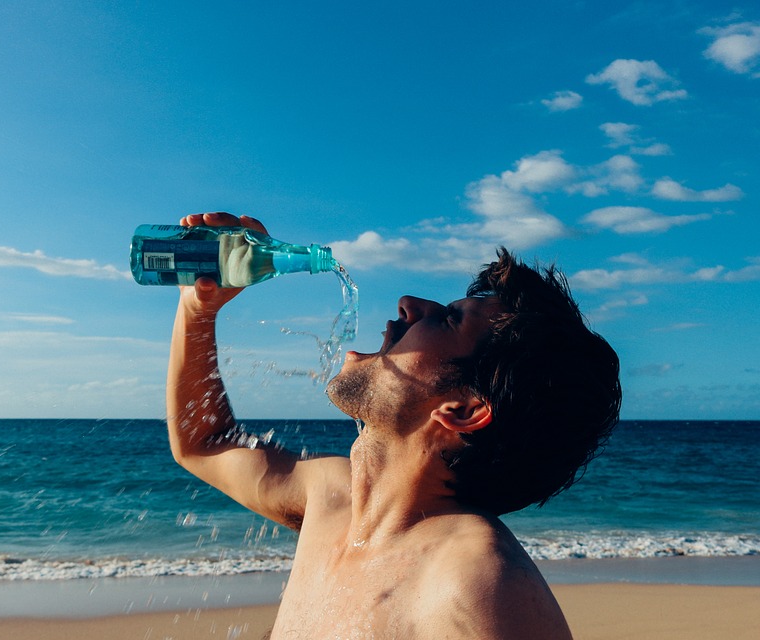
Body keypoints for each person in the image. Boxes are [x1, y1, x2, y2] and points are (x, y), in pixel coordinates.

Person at [166, 212, 621, 639]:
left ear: (463, 410)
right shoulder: (331, 497)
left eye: (447, 319)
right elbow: (203, 443)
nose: (408, 304)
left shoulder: (478, 583)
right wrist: (198, 310)